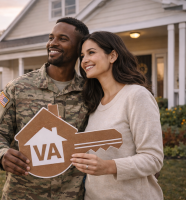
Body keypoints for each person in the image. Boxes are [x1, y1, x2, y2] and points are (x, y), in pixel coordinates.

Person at [0, 17, 89, 199]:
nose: (52, 43)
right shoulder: (18, 87)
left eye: (62, 39)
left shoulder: (90, 92)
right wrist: (1, 154)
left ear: (80, 49)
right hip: (23, 193)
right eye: (51, 37)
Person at [70, 31, 164, 200]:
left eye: (91, 52)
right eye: (82, 55)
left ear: (112, 56)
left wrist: (108, 166)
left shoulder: (136, 96)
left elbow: (153, 159)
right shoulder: (95, 103)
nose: (84, 60)